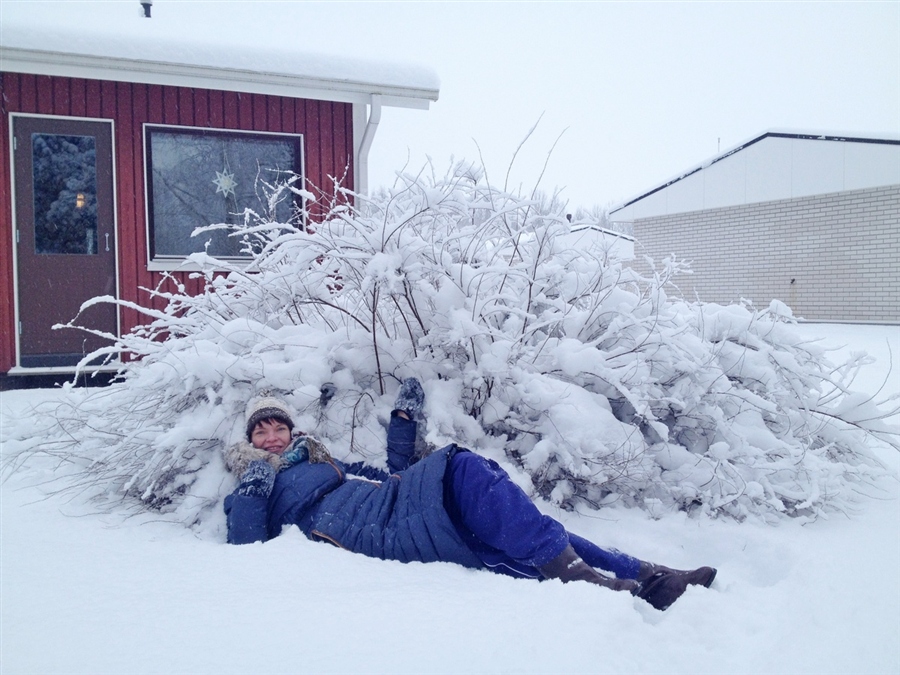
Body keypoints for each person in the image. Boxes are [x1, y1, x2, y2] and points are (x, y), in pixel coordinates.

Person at [224, 379, 716, 610]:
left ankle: (645, 574)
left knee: (523, 528)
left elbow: (385, 473)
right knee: (469, 474)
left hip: (394, 503)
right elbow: (246, 546)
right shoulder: (254, 484)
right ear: (250, 441)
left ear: (291, 431)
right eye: (261, 433)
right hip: (378, 532)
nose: (271, 438)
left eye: (277, 428)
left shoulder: (320, 459)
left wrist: (403, 423)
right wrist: (252, 490)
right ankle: (608, 582)